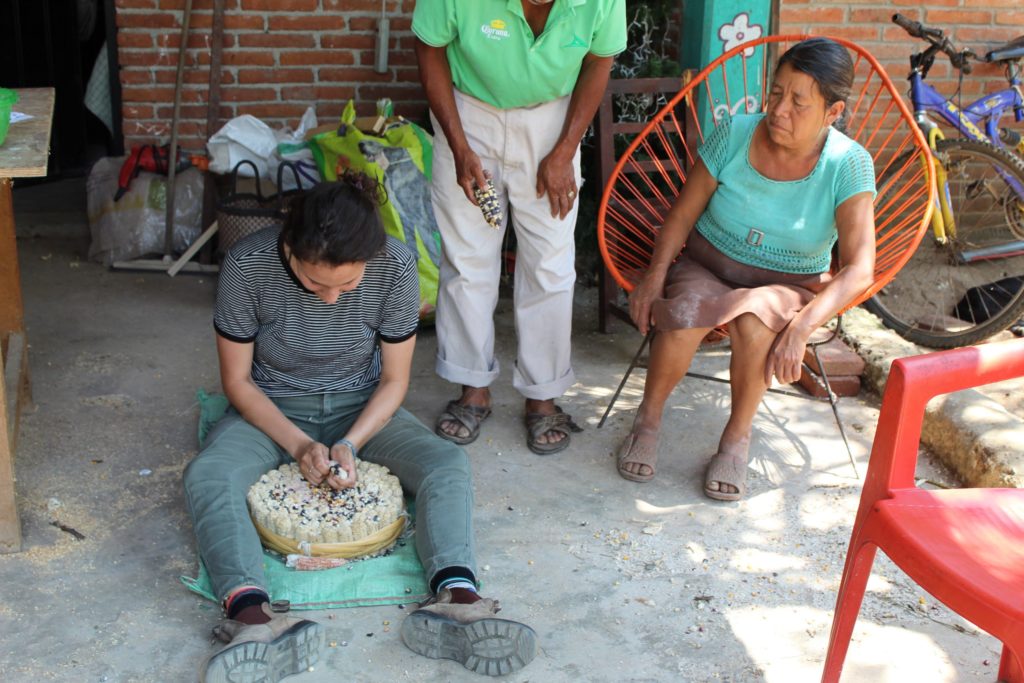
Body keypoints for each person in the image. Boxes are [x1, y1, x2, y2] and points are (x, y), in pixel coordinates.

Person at [184, 177, 537, 683]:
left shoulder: (395, 264)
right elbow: (237, 381)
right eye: (313, 283)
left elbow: (394, 381)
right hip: (272, 408)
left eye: (347, 286)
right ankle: (251, 616)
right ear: (288, 246)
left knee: (446, 463)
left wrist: (350, 441)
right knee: (208, 476)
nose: (330, 299)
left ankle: (458, 597)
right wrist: (299, 444)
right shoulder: (247, 264)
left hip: (363, 407)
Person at [615, 38, 876, 500]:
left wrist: (802, 327)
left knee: (757, 323)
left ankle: (735, 440)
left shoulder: (847, 164)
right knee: (685, 313)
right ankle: (648, 419)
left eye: (799, 103)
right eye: (776, 94)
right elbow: (682, 214)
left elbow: (859, 269)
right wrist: (654, 274)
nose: (779, 110)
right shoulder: (735, 132)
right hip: (708, 265)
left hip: (786, 284)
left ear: (833, 113)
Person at [412, 0, 627, 455]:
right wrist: (459, 146)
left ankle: (542, 394)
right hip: (468, 111)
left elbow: (599, 60)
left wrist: (566, 149)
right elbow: (429, 48)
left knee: (551, 262)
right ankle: (472, 387)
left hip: (553, 118)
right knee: (468, 259)